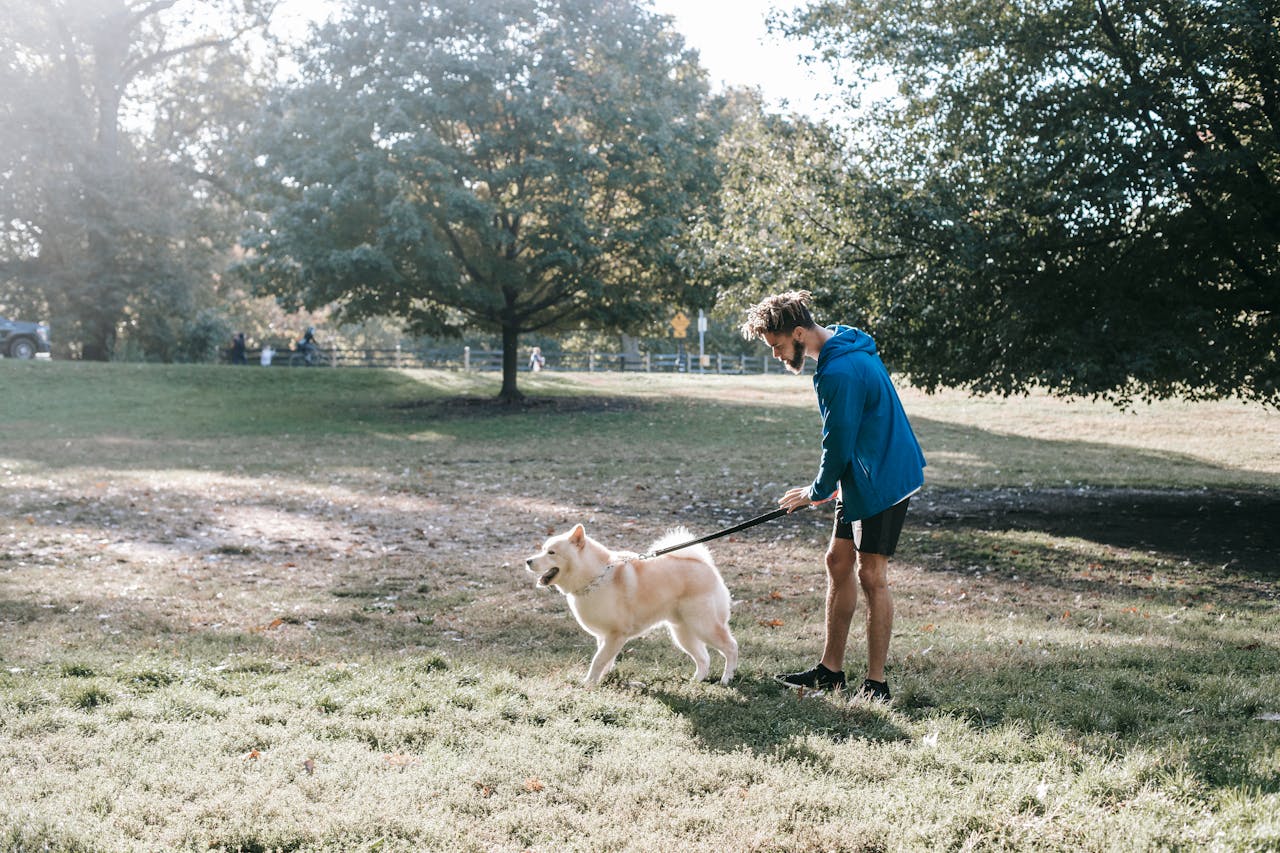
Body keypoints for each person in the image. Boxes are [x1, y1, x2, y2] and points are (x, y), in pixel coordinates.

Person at [740, 290, 926, 702]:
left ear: (801, 332)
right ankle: (830, 671)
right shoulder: (840, 342)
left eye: (779, 345)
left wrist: (816, 492)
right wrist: (828, 487)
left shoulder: (840, 370)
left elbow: (838, 442)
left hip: (883, 477)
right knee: (838, 561)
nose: (776, 355)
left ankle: (876, 684)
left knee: (871, 575)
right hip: (860, 474)